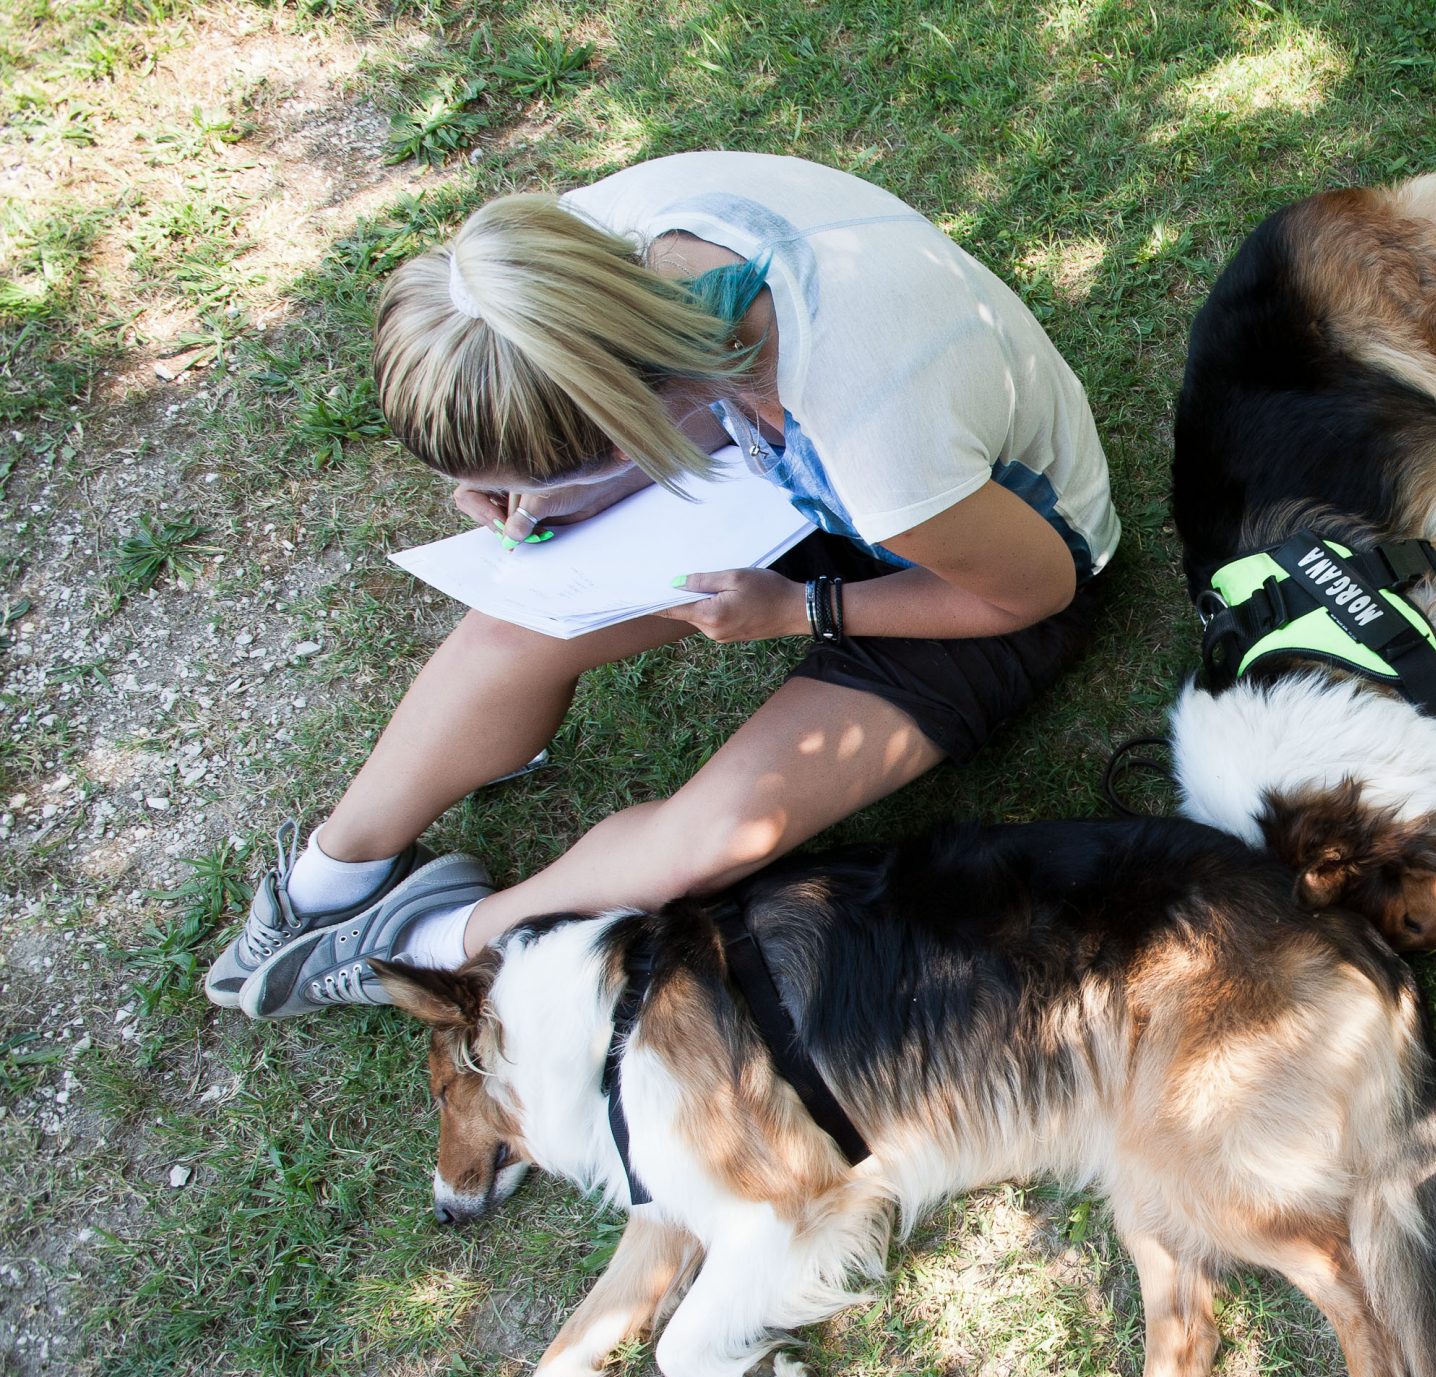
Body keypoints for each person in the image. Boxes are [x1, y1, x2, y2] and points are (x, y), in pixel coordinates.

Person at [204, 152, 1120, 1017]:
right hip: (796, 483)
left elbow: (1035, 589)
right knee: (513, 628)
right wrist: (535, 480)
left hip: (979, 568)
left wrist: (800, 608)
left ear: (623, 416)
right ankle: (333, 872)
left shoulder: (870, 420)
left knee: (711, 839)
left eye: (552, 471)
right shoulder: (571, 259)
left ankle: (433, 942)